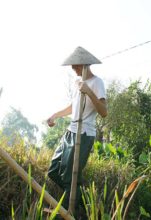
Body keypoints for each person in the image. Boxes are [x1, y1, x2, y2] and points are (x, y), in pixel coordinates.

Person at [46, 47, 107, 214]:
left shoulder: (97, 82)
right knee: (53, 170)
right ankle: (78, 196)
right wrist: (55, 116)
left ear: (85, 65)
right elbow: (74, 106)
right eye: (72, 66)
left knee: (69, 175)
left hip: (84, 133)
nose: (73, 69)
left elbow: (104, 112)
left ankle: (64, 210)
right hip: (70, 131)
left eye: (76, 66)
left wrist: (88, 91)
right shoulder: (77, 82)